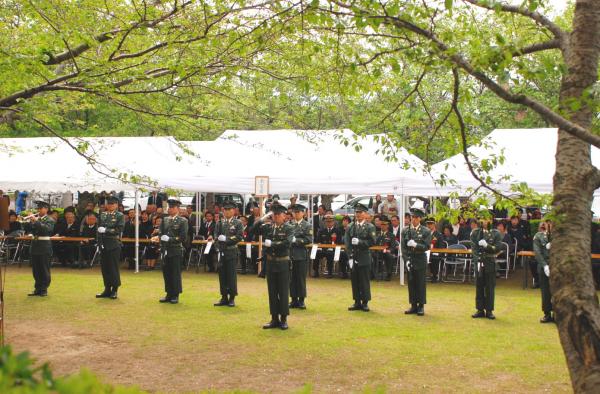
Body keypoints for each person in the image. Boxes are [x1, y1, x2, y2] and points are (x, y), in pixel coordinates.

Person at [261, 204, 293, 330]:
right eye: (274, 214)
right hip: (270, 263)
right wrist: (264, 218)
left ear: (284, 216)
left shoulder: (288, 228)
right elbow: (254, 229)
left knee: (283, 291)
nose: (276, 216)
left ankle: (284, 319)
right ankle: (274, 318)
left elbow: (287, 243)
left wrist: (273, 244)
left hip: (283, 263)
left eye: (278, 214)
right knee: (272, 291)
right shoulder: (269, 228)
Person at [153, 199, 188, 304]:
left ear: (178, 209)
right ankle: (168, 293)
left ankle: (175, 294)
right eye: (169, 207)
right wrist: (160, 238)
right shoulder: (165, 220)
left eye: (172, 207)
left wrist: (170, 239)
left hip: (175, 249)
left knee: (175, 273)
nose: (170, 209)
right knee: (166, 272)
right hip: (165, 249)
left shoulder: (183, 221)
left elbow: (183, 237)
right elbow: (161, 233)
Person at [470, 210, 503, 319]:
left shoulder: (496, 233)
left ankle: (489, 310)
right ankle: (479, 309)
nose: (484, 221)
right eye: (482, 218)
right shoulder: (475, 232)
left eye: (487, 218)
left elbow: (497, 248)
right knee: (479, 286)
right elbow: (474, 249)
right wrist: (477, 260)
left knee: (489, 287)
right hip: (479, 262)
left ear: (491, 220)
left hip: (489, 262)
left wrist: (487, 246)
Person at [345, 203, 376, 312]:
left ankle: (365, 302)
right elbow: (347, 243)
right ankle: (357, 301)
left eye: (360, 212)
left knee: (364, 280)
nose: (358, 214)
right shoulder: (350, 226)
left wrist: (360, 242)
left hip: (364, 256)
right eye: (356, 212)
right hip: (354, 256)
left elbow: (372, 242)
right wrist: (349, 257)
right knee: (355, 280)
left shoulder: (370, 227)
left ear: (365, 214)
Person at [211, 201, 243, 307]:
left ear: (234, 211)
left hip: (231, 251)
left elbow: (239, 236)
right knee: (222, 275)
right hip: (222, 251)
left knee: (231, 275)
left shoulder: (237, 223)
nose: (227, 212)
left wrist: (227, 239)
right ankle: (224, 297)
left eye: (229, 209)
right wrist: (217, 247)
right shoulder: (220, 223)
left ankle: (232, 297)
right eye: (225, 210)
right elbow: (215, 236)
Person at [401, 208, 432, 316]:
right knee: (411, 283)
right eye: (412, 217)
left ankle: (421, 306)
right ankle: (413, 305)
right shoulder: (405, 230)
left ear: (419, 218)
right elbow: (403, 248)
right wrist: (406, 260)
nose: (413, 220)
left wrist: (416, 245)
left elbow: (427, 246)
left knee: (420, 283)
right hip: (410, 259)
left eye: (415, 217)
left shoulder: (425, 231)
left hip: (420, 259)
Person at [96, 196, 125, 300]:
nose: (110, 205)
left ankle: (115, 290)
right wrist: (99, 243)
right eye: (109, 203)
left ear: (116, 205)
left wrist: (106, 230)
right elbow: (98, 230)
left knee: (113, 268)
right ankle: (107, 289)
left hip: (113, 243)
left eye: (112, 204)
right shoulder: (103, 215)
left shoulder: (119, 215)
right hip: (104, 243)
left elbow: (119, 229)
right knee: (105, 268)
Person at [24, 201, 55, 297]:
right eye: (38, 208)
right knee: (36, 270)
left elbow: (46, 230)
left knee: (44, 269)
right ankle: (37, 288)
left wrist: (36, 221)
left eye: (41, 208)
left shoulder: (50, 220)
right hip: (35, 246)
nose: (38, 210)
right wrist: (29, 222)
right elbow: (29, 230)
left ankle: (44, 289)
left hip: (44, 247)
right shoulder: (36, 220)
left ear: (46, 209)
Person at [289, 204, 312, 309]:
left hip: (301, 254)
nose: (296, 214)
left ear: (303, 213)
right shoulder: (290, 225)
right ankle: (293, 299)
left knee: (301, 278)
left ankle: (301, 300)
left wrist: (297, 240)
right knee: (292, 278)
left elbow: (308, 239)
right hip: (291, 254)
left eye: (299, 212)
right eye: (295, 212)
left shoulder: (307, 225)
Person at [533, 220, 554, 323]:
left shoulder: (558, 236)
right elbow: (537, 252)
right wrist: (545, 265)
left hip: (556, 266)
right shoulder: (538, 236)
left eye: (550, 223)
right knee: (545, 291)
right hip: (543, 266)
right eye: (547, 223)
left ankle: (557, 313)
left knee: (556, 291)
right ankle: (547, 313)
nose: (548, 225)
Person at [376, 215, 398, 281]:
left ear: (387, 226)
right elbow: (374, 243)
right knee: (371, 256)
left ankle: (389, 274)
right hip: (377, 251)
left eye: (384, 225)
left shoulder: (391, 235)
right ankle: (373, 274)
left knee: (390, 256)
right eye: (382, 225)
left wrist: (389, 250)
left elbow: (393, 246)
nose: (383, 226)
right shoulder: (377, 234)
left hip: (386, 252)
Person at [426, 217, 442, 283]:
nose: (429, 225)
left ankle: (434, 275)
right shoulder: (425, 234)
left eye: (431, 224)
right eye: (428, 224)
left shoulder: (438, 234)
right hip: (426, 252)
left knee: (434, 257)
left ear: (434, 224)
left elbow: (441, 246)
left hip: (435, 252)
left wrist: (437, 251)